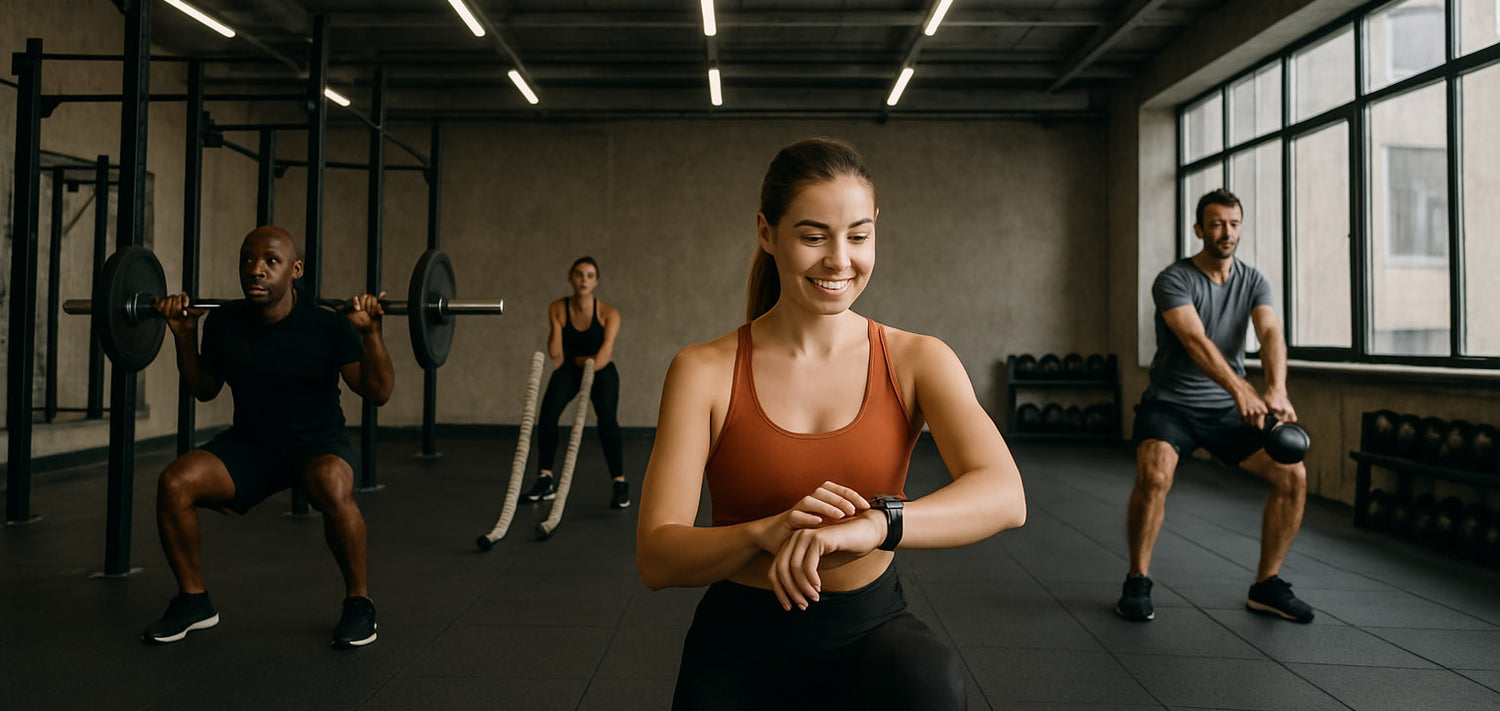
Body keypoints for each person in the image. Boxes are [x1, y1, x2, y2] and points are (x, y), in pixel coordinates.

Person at [636, 138, 1027, 710]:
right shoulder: (704, 370)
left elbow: (1005, 495)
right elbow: (657, 557)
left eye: (859, 235)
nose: (840, 260)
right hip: (740, 641)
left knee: (928, 680)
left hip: (868, 631)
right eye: (813, 236)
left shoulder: (918, 359)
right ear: (767, 233)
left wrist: (875, 525)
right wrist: (762, 533)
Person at [141, 225, 394, 648]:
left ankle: (359, 603)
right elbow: (204, 389)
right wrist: (184, 338)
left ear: (294, 270)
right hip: (251, 447)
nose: (256, 270)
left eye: (270, 262)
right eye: (248, 260)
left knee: (334, 485)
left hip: (317, 445)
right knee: (175, 482)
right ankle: (193, 601)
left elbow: (378, 393)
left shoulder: (327, 326)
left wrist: (370, 335)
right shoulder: (224, 321)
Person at [1117, 188, 1313, 624]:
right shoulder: (1174, 279)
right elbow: (1194, 340)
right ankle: (1137, 579)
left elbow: (1270, 335)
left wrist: (1276, 389)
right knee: (1154, 475)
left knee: (1292, 476)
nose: (1227, 232)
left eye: (1234, 223)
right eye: (1218, 223)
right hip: (1172, 405)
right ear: (1199, 229)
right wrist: (1241, 389)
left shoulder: (1253, 281)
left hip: (1225, 412)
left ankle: (1267, 585)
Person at [521, 256, 629, 509]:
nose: (584, 280)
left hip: (601, 370)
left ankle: (620, 483)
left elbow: (604, 356)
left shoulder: (608, 313)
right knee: (547, 416)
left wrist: (580, 361)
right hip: (570, 368)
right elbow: (556, 355)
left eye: (590, 275)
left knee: (607, 422)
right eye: (579, 274)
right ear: (571, 278)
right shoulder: (557, 308)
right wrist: (558, 326)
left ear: (596, 282)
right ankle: (545, 479)